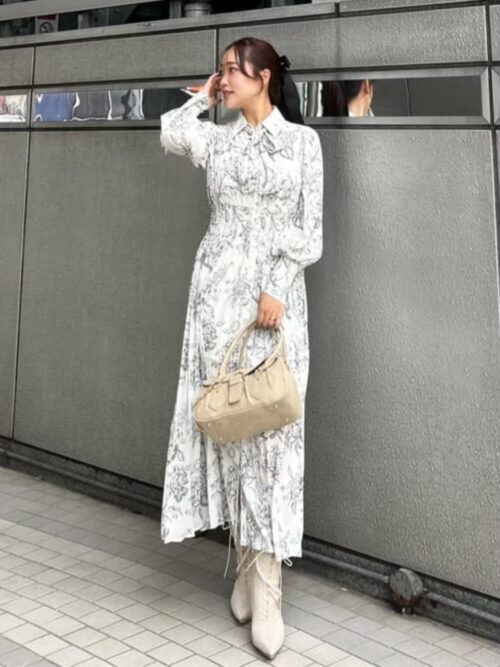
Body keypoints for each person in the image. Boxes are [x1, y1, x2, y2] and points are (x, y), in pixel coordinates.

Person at [159, 36, 324, 659]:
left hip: (274, 306)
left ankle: (269, 586)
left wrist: (276, 284)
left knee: (273, 436)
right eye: (222, 71)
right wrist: (203, 97)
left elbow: (309, 232)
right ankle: (249, 568)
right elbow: (170, 132)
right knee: (232, 429)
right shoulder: (219, 139)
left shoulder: (302, 143)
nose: (224, 78)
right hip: (216, 300)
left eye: (233, 70)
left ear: (264, 77)